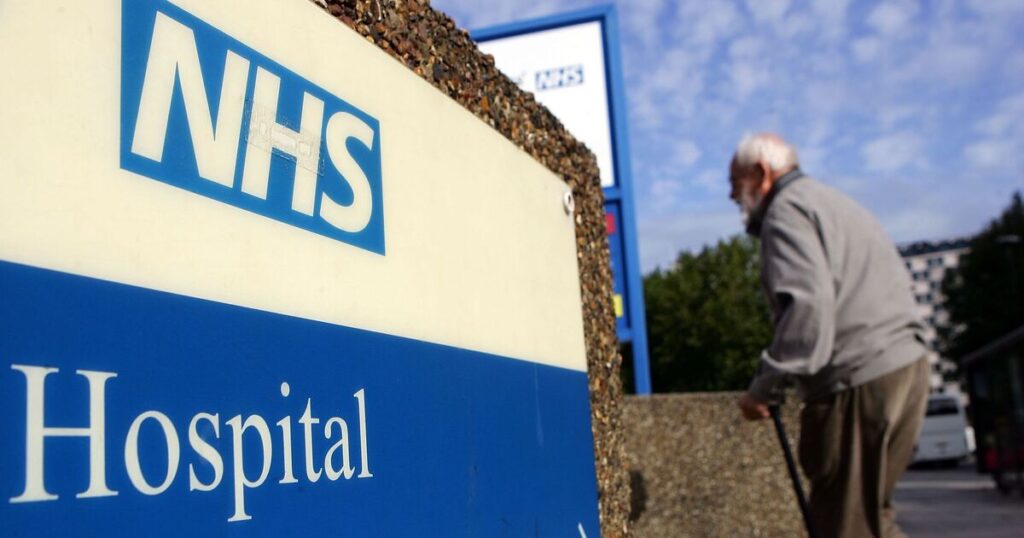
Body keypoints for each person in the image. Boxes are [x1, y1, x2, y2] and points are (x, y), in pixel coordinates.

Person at [730, 133, 930, 538]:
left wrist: (765, 386)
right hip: (907, 366)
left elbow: (807, 308)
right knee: (874, 516)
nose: (732, 195)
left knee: (845, 523)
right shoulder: (835, 203)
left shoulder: (785, 211)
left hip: (857, 377)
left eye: (735, 183)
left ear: (761, 173)